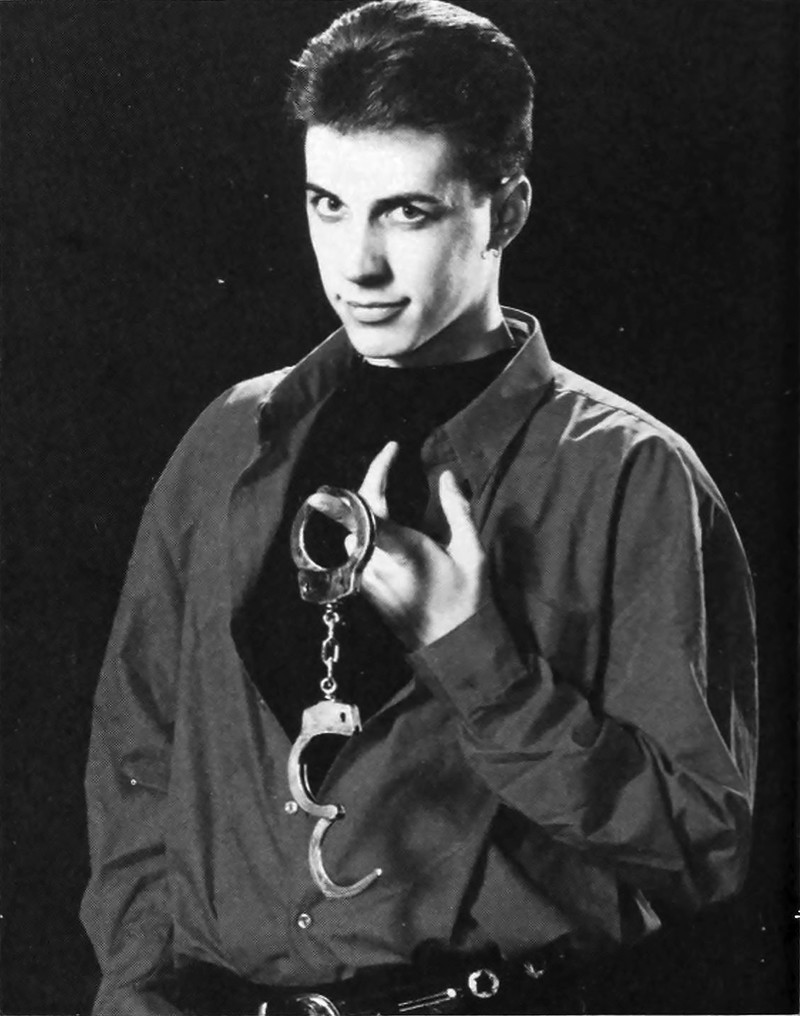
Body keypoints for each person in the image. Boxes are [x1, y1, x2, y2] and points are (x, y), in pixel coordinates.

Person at [80, 2, 758, 1013]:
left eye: (406, 212)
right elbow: (137, 760)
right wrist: (136, 995)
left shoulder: (631, 475)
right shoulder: (228, 439)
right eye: (327, 204)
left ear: (506, 210)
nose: (355, 263)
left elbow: (701, 843)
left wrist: (478, 660)